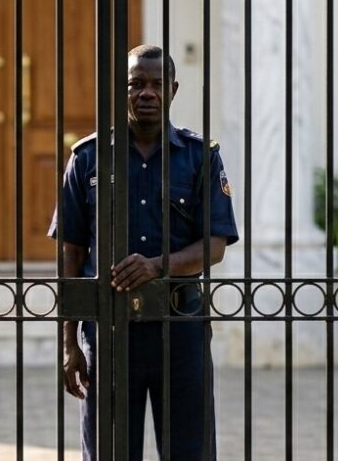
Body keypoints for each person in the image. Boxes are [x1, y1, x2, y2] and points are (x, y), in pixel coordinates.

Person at [48, 45, 239, 461]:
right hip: (111, 330)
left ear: (172, 90)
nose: (146, 93)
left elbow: (216, 245)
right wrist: (69, 343)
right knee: (109, 452)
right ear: (122, 90)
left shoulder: (200, 157)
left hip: (180, 325)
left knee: (190, 451)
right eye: (136, 84)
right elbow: (72, 254)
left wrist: (156, 267)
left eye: (155, 84)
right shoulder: (88, 158)